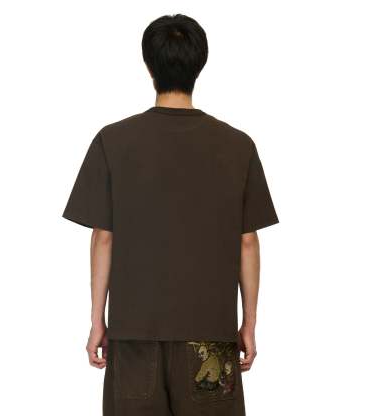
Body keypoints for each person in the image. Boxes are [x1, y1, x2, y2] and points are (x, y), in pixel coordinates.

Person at [63, 13, 278, 416]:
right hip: (210, 338)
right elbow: (247, 241)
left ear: (149, 66)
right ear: (200, 64)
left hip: (134, 336)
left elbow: (103, 237)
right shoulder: (238, 146)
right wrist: (248, 323)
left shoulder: (113, 141)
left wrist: (97, 320)